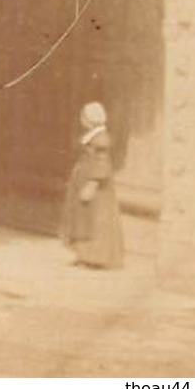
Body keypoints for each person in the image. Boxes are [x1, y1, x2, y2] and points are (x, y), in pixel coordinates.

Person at [59, 100, 125, 270]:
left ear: (90, 118)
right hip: (84, 181)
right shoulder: (92, 136)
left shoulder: (100, 139)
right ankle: (84, 255)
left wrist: (92, 183)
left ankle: (96, 258)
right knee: (83, 219)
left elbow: (103, 163)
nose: (82, 119)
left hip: (96, 189)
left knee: (96, 221)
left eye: (83, 116)